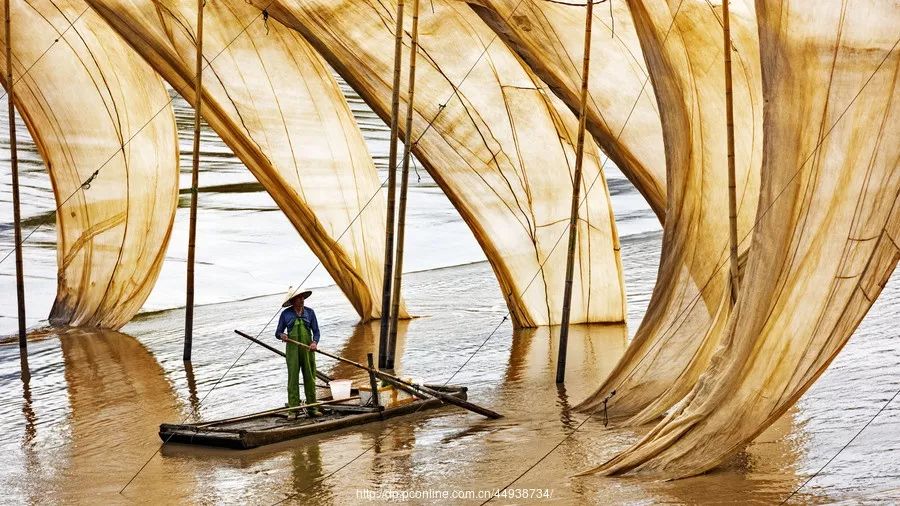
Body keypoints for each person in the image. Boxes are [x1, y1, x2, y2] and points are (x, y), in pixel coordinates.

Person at [275, 289, 321, 417]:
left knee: (310, 378)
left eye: (302, 297)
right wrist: (282, 335)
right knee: (293, 379)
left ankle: (312, 408)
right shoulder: (285, 314)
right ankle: (293, 410)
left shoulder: (310, 313)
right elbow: (277, 332)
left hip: (307, 348)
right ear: (292, 300)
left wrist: (314, 343)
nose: (302, 299)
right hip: (292, 350)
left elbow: (316, 331)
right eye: (299, 298)